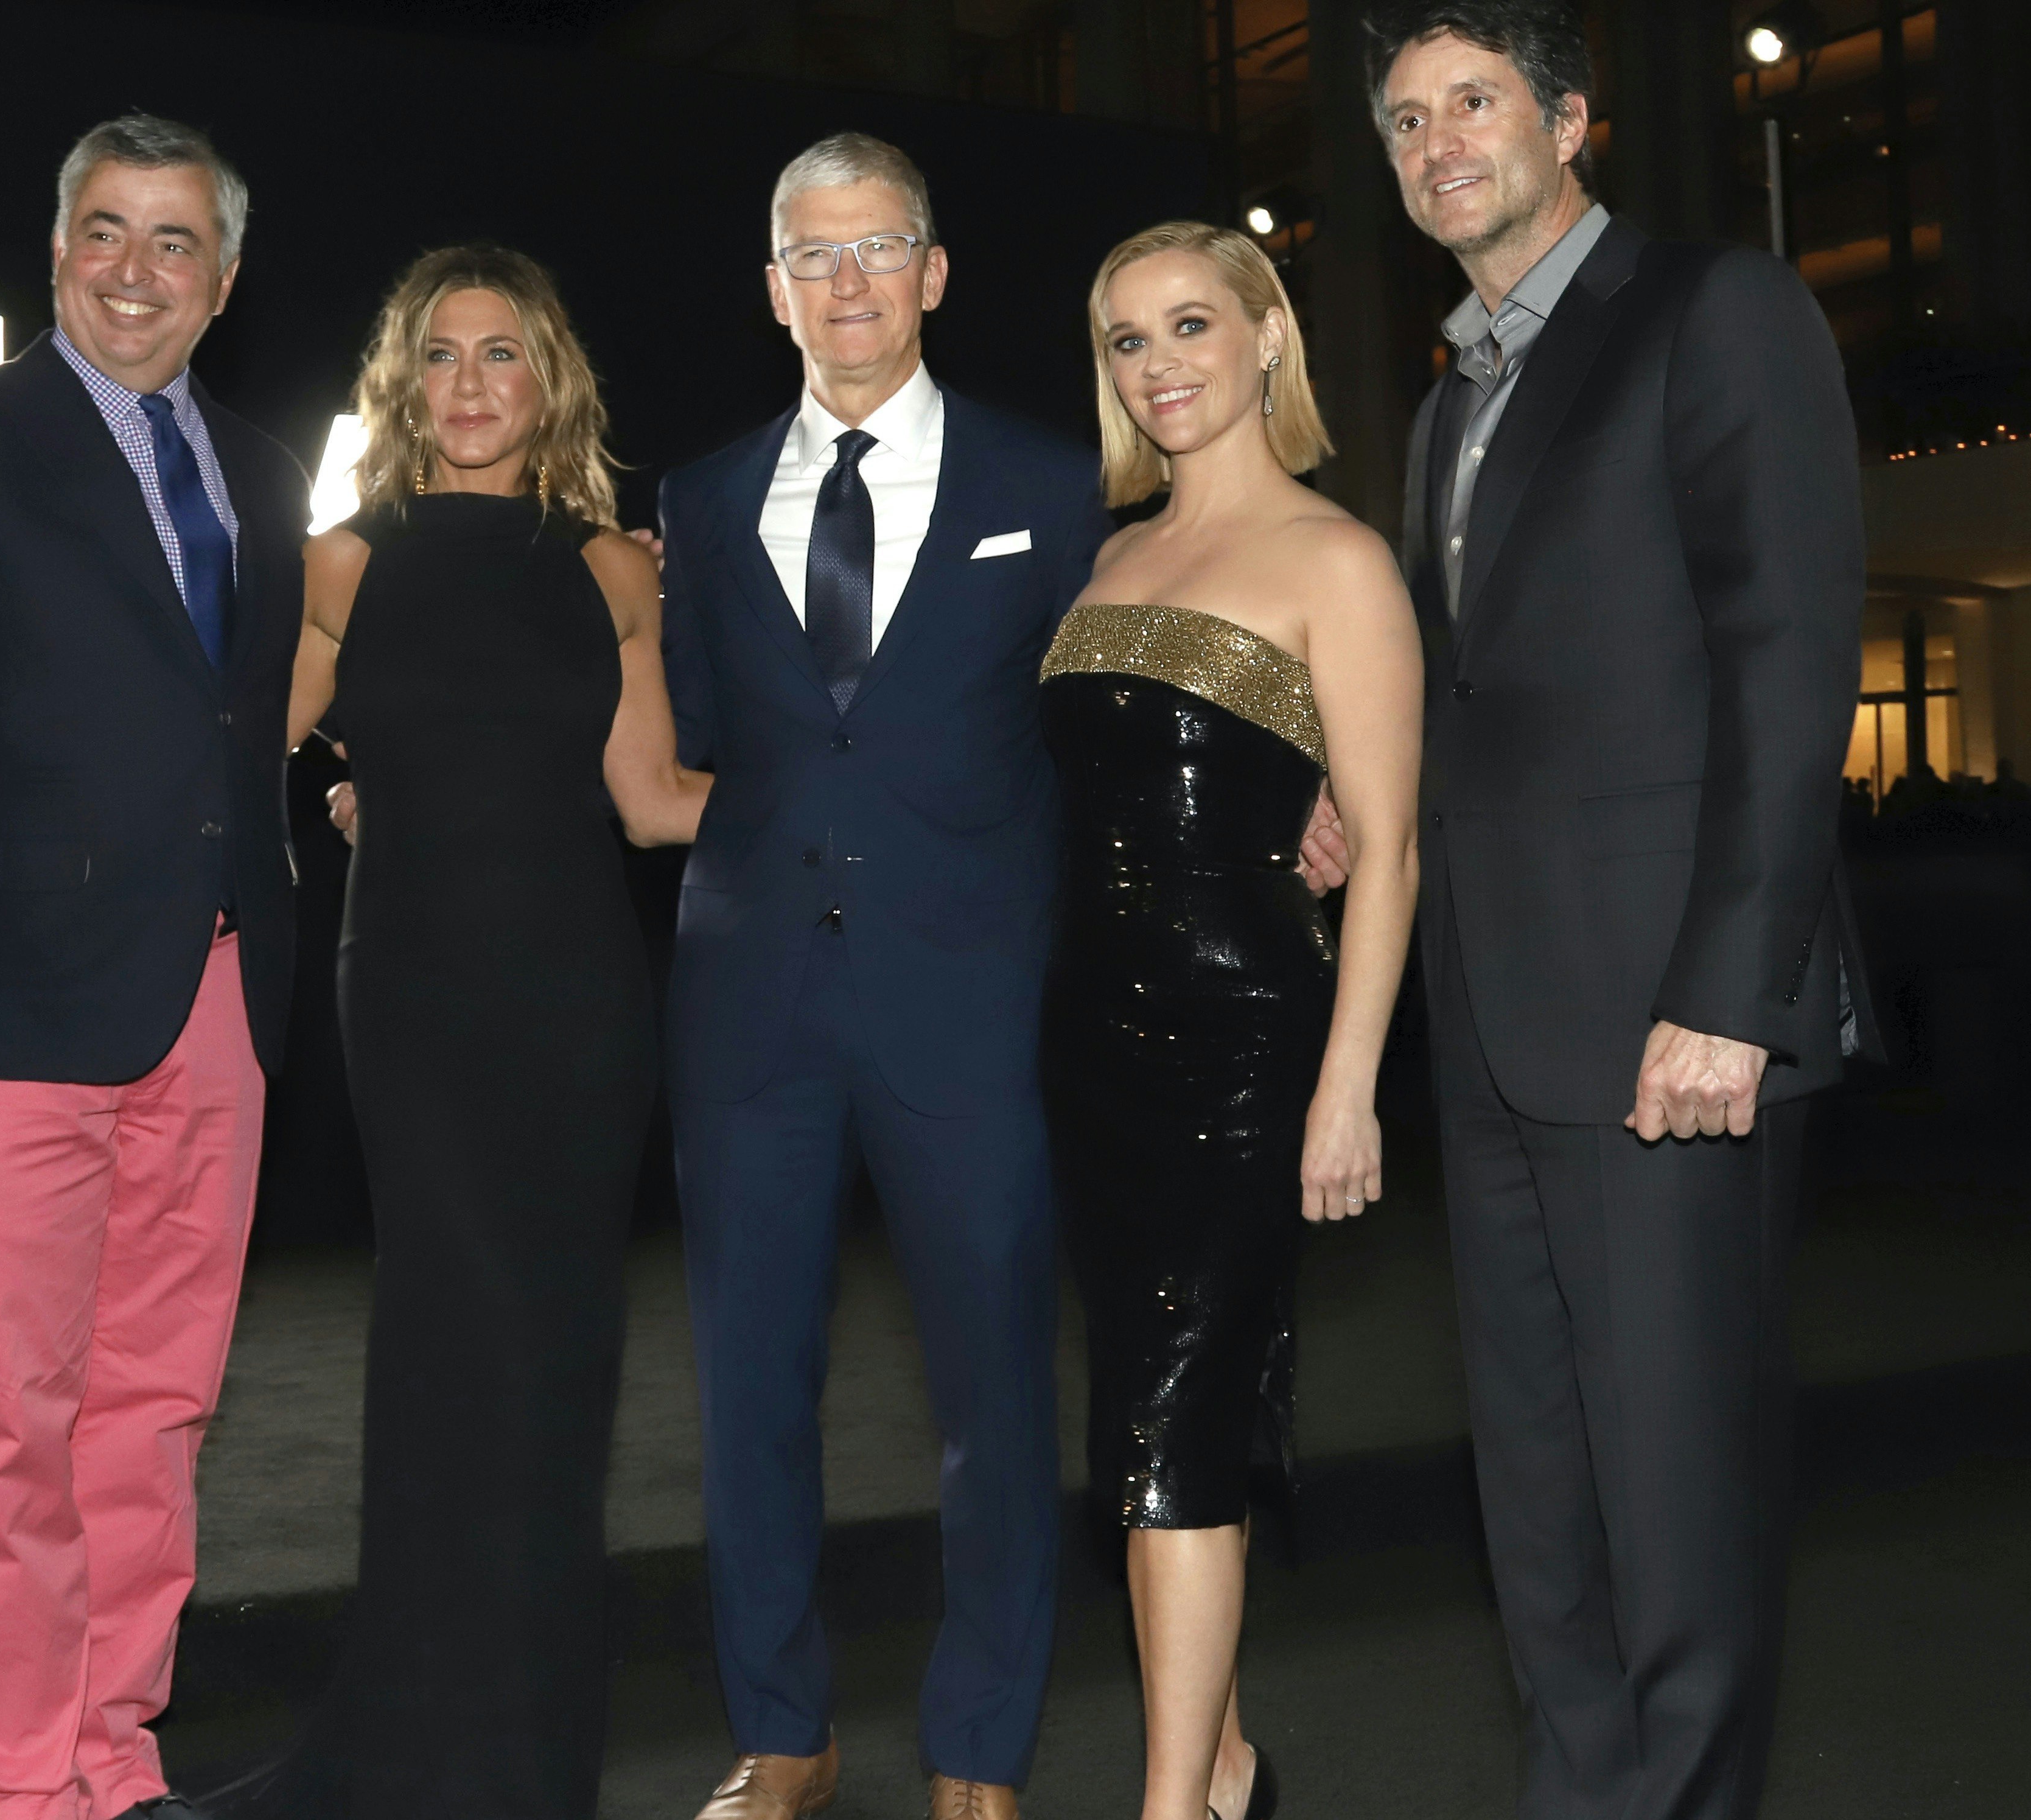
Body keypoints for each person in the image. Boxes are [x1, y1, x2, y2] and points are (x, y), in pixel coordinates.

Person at [653, 135, 1342, 1820]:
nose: (845, 282)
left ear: (933, 272)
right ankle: (781, 1728)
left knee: (991, 1399)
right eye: (809, 256)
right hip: (748, 1018)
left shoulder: (1053, 493)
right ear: (771, 290)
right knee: (745, 1393)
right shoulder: (696, 497)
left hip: (977, 1011)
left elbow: (1143, 701)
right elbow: (701, 747)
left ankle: (981, 1748)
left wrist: (1301, 786)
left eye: (876, 246)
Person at [1366, 5, 1873, 1816]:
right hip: (1495, 1032)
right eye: (1403, 117)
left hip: (1673, 1022)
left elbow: (1787, 656)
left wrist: (1728, 991)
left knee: (1677, 1510)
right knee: (1546, 1514)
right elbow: (1483, 695)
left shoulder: (1710, 313)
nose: (1434, 140)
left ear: (1566, 120)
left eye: (1471, 101)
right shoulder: (1446, 404)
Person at [0, 114, 306, 1820]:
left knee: (154, 1411)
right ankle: (23, 1780)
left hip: (214, 1005)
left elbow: (229, 733)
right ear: (52, 252)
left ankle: (115, 1747)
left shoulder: (258, 465)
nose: (134, 272)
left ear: (223, 278)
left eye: (175, 243)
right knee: (7, 1427)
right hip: (7, 1022)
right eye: (106, 232)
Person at [206, 245, 707, 1820]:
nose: (473, 382)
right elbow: (233, 753)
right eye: (442, 355)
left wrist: (874, 787)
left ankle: (527, 1760)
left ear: (545, 380)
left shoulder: (612, 568)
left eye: (503, 353)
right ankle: (408, 1747)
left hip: (578, 1011)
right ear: (402, 385)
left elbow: (649, 800)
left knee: (557, 1376)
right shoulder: (340, 560)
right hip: (413, 1004)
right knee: (443, 1362)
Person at [1040, 222, 1420, 1820]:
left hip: (1248, 1047)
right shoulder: (1108, 556)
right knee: (1139, 1421)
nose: (1159, 363)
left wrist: (1349, 1087)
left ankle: (1171, 1803)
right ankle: (1230, 1762)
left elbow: (1389, 845)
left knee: (1181, 1424)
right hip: (1089, 1050)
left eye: (1189, 324)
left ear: (1266, 336)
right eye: (1126, 339)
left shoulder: (1337, 558)